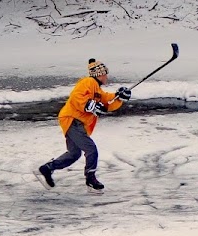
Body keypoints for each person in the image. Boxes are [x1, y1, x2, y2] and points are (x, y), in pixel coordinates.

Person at [37, 58, 131, 192]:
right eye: (104, 74)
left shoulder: (97, 89)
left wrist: (118, 97)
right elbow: (76, 96)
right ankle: (90, 178)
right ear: (98, 74)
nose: (106, 77)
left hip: (74, 121)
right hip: (73, 119)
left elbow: (106, 101)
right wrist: (89, 105)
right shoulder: (88, 82)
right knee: (91, 149)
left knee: (74, 154)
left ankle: (47, 168)